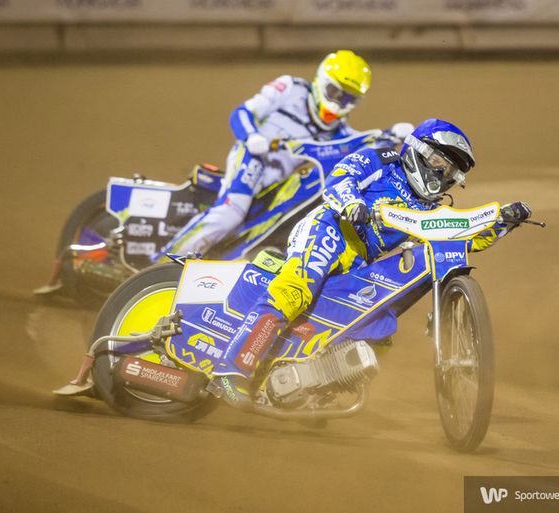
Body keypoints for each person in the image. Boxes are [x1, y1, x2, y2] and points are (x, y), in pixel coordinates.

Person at [214, 118, 532, 406]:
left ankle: (308, 384)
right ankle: (232, 369)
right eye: (439, 162)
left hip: (359, 259)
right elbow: (341, 177)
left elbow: (464, 237)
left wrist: (503, 221)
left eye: (451, 172)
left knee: (376, 332)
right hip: (330, 230)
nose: (442, 174)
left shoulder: (430, 209)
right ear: (419, 151)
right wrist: (352, 203)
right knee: (296, 290)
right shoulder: (381, 160)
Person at [154, 50, 388, 261]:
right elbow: (242, 113)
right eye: (335, 92)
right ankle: (164, 262)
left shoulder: (341, 134)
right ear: (321, 81)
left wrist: (386, 138)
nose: (338, 103)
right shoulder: (290, 88)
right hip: (254, 158)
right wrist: (251, 137)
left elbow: (358, 148)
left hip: (278, 185)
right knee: (230, 214)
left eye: (349, 99)